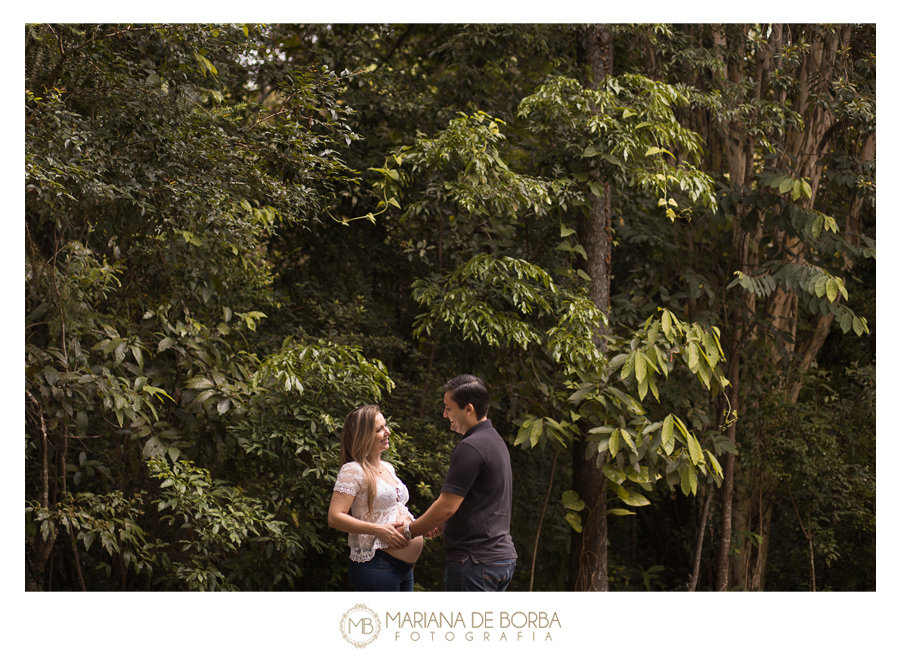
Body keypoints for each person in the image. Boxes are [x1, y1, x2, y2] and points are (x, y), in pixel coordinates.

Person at [403, 375, 517, 591]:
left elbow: (447, 507)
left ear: (469, 409)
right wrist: (444, 524)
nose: (445, 414)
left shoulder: (471, 447)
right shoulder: (495, 440)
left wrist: (410, 531)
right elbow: (483, 501)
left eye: (448, 408)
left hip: (475, 562)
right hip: (497, 559)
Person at [328, 405, 423, 591]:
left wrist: (421, 528)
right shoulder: (353, 470)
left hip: (405, 569)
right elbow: (334, 517)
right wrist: (378, 530)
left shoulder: (388, 467)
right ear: (362, 436)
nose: (387, 431)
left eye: (385, 426)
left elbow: (395, 510)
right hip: (377, 566)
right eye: (379, 429)